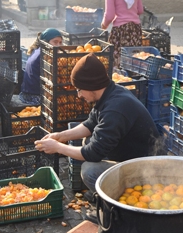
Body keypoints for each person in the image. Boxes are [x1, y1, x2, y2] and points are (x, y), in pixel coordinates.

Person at [34, 53, 161, 219]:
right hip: (131, 158)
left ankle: (118, 211)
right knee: (88, 140)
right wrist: (60, 136)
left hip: (145, 171)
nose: (79, 95)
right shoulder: (111, 93)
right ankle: (107, 194)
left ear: (91, 85)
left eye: (79, 89)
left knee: (90, 170)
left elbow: (92, 153)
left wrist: (58, 147)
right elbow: (90, 123)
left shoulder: (115, 109)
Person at [16, 28, 63, 106]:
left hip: (26, 94)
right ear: (45, 42)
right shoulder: (45, 56)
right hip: (34, 97)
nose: (58, 45)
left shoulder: (37, 50)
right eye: (55, 42)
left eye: (60, 42)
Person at [101, 0, 144, 69]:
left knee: (118, 62)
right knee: (134, 59)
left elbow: (109, 15)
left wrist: (104, 25)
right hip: (135, 29)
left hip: (120, 30)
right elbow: (140, 10)